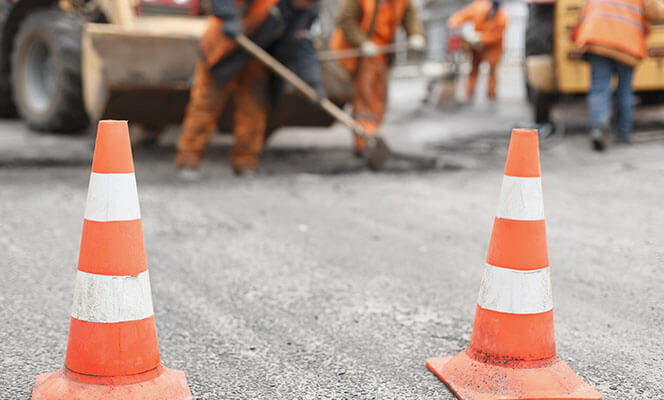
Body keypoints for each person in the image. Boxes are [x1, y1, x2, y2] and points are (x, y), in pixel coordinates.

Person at [175, 0, 323, 176]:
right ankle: (188, 161)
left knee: (254, 109)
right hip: (224, 47)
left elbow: (303, 46)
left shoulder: (308, 11)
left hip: (254, 55)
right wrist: (229, 18)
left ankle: (245, 163)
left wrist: (313, 84)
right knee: (206, 105)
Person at [329, 0, 425, 155]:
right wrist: (362, 43)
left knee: (379, 99)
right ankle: (364, 142)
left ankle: (372, 137)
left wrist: (415, 34)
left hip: (382, 54)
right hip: (359, 54)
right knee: (365, 98)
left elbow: (410, 15)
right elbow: (346, 20)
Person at [575, 0, 664, 151]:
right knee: (624, 90)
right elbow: (656, 13)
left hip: (597, 39)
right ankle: (622, 134)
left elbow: (583, 13)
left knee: (599, 87)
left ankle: (598, 127)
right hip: (627, 43)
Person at [448, 0, 508, 102]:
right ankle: (469, 94)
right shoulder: (478, 8)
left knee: (492, 70)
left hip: (493, 47)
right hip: (476, 47)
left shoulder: (502, 18)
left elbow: (497, 36)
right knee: (474, 69)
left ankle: (491, 94)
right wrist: (454, 22)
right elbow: (462, 15)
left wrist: (480, 38)